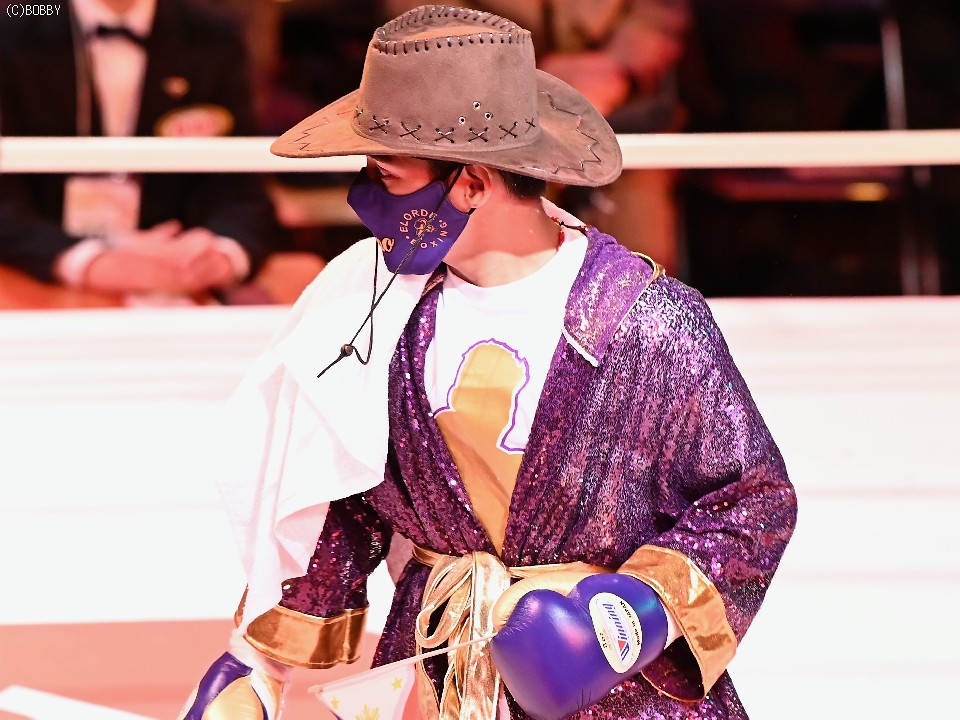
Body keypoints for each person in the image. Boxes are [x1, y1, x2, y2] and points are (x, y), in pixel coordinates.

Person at [178, 5, 797, 720]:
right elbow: (341, 492)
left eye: (387, 175)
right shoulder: (373, 310)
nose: (365, 198)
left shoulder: (645, 321)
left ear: (472, 183)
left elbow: (751, 498)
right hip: (439, 677)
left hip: (618, 693)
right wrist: (258, 664)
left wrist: (634, 613)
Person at [0, 0, 282, 305]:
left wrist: (220, 253)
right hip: (35, 281)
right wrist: (85, 259)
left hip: (176, 289)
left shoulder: (214, 33)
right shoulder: (14, 26)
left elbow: (240, 187)